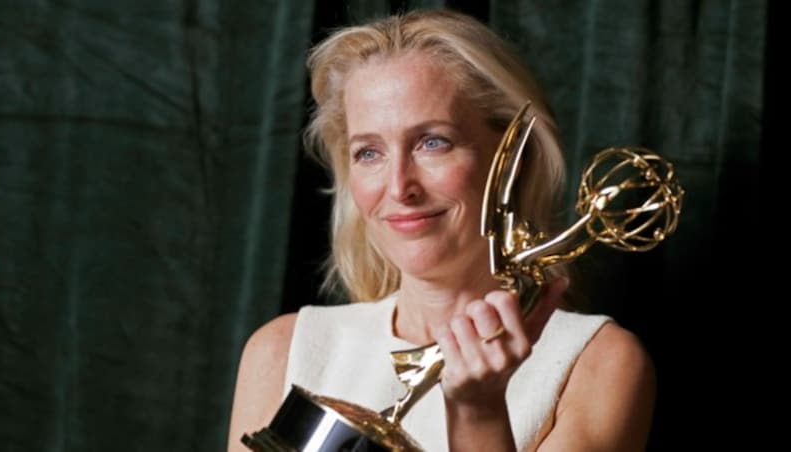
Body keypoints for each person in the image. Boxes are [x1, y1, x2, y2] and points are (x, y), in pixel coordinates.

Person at [228, 9, 655, 452]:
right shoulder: (281, 351)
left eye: (433, 142)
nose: (399, 187)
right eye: (369, 152)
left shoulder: (596, 363)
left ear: (512, 157)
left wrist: (479, 412)